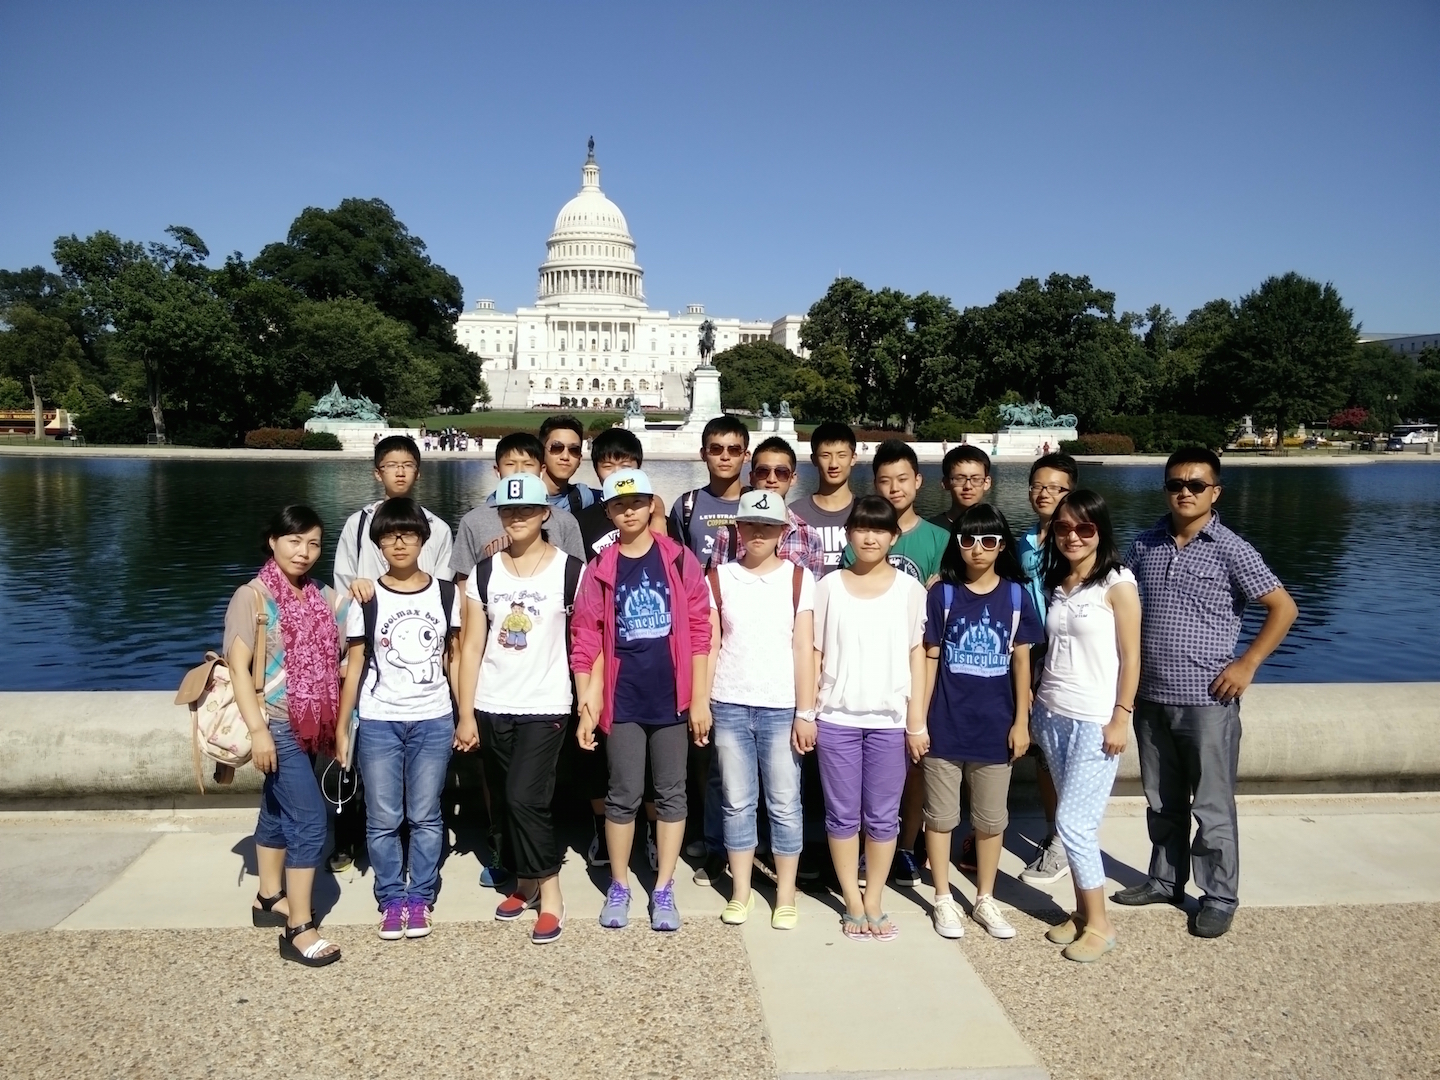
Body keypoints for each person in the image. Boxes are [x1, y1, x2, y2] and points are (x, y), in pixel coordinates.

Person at [1116, 447, 1297, 938]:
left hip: (1207, 699)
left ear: (1215, 491)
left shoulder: (1232, 548)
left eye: (1196, 484)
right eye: (1177, 483)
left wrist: (1248, 663)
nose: (1185, 492)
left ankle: (1219, 895)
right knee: (1161, 800)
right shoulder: (1144, 544)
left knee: (1211, 805)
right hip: (1151, 695)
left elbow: (1282, 608)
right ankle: (1165, 879)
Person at [573, 469, 713, 932]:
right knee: (623, 794)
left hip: (672, 699)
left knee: (672, 794)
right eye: (619, 504)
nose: (629, 510)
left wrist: (698, 700)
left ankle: (664, 887)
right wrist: (586, 704)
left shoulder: (678, 559)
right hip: (623, 697)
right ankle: (619, 883)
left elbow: (698, 631)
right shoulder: (601, 567)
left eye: (637, 502)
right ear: (610, 511)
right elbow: (586, 638)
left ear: (652, 504)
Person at [450, 432, 584, 888]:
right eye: (509, 511)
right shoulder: (485, 572)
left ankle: (550, 893)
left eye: (526, 509)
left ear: (545, 513)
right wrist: (466, 712)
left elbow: (586, 639)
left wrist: (587, 699)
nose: (517, 518)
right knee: (506, 797)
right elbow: (471, 646)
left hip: (546, 699)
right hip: (493, 699)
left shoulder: (570, 569)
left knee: (526, 796)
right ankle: (524, 883)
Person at [335, 498, 461, 942]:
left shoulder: (447, 593)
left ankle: (420, 896)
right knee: (383, 817)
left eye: (408, 533)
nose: (399, 542)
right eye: (389, 536)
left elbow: (454, 658)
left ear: (424, 539)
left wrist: (463, 717)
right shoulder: (365, 597)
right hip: (379, 719)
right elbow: (354, 664)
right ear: (379, 544)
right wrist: (341, 727)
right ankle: (391, 898)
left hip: (433, 717)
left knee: (426, 816)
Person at [227, 505, 348, 967]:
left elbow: (359, 621)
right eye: (295, 541)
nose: (304, 552)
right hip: (276, 722)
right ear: (273, 541)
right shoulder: (253, 597)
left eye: (314, 543)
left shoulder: (319, 594)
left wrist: (361, 588)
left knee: (277, 809)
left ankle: (266, 898)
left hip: (311, 723)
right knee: (311, 822)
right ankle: (299, 927)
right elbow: (239, 668)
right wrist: (258, 730)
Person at [918, 504, 1043, 940]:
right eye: (968, 539)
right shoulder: (943, 595)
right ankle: (942, 898)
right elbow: (931, 659)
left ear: (1002, 546)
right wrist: (920, 719)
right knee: (940, 817)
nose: (977, 548)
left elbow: (1022, 662)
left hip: (995, 726)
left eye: (988, 540)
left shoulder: (1014, 595)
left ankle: (985, 898)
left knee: (991, 820)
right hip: (946, 724)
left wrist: (1021, 722)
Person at [330, 435, 452, 872]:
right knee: (356, 750)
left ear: (418, 471)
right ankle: (346, 836)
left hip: (416, 649)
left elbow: (437, 589)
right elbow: (343, 581)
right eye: (390, 464)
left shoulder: (436, 527)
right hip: (367, 639)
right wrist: (358, 593)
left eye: (407, 465)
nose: (399, 472)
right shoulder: (359, 524)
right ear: (377, 472)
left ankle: (411, 851)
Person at [1031, 490, 1141, 963]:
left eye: (1084, 528)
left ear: (1101, 530)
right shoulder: (1059, 582)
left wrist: (1122, 715)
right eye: (1063, 528)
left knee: (1075, 823)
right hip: (1053, 712)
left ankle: (1101, 924)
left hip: (1096, 719)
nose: (1072, 536)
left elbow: (1132, 656)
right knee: (1068, 819)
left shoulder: (1117, 582)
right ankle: (1080, 912)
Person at [813, 495, 928, 941]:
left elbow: (917, 655)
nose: (869, 536)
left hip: (889, 720)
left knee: (883, 818)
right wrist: (809, 712)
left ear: (893, 536)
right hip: (836, 717)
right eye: (861, 527)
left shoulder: (909, 590)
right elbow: (816, 652)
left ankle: (875, 898)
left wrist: (915, 721)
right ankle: (852, 900)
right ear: (848, 534)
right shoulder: (829, 586)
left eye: (879, 529)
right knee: (842, 816)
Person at [703, 489, 817, 929]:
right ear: (737, 528)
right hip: (730, 701)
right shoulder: (719, 577)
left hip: (781, 706)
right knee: (736, 801)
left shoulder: (798, 578)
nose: (757, 534)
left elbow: (803, 648)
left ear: (782, 533)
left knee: (785, 802)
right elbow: (711, 644)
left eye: (767, 527)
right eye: (750, 525)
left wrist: (805, 712)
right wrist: (703, 701)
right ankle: (742, 891)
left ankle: (785, 894)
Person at [840, 439, 948, 887]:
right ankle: (866, 849)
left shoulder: (938, 539)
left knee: (914, 763)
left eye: (902, 479)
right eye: (884, 480)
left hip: (921, 662)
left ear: (918, 482)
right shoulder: (861, 539)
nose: (894, 487)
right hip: (869, 675)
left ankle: (905, 844)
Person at [572, 427, 668, 871]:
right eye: (607, 463)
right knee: (605, 764)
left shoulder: (654, 522)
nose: (616, 470)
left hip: (652, 663)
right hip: (606, 659)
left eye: (625, 463)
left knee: (652, 769)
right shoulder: (589, 521)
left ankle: (647, 835)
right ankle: (603, 835)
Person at [668, 415, 750, 884]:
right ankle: (710, 828)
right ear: (703, 453)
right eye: (716, 448)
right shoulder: (687, 505)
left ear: (745, 454)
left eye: (733, 448)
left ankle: (740, 834)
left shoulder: (762, 503)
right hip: (701, 630)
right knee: (703, 738)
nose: (724, 456)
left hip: (747, 629)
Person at [1015, 452, 1078, 888]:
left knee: (1070, 756)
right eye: (1039, 485)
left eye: (1056, 488)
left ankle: (1067, 839)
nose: (1045, 494)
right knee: (1044, 755)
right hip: (1033, 655)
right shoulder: (1022, 543)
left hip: (1070, 660)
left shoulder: (1076, 541)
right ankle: (1055, 832)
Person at [452, 432, 586, 584]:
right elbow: (464, 579)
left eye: (528, 464)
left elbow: (578, 578)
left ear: (542, 470)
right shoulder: (473, 521)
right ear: (497, 470)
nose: (519, 471)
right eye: (510, 464)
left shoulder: (565, 521)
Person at [707, 436, 825, 578]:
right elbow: (716, 588)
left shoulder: (809, 536)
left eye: (781, 472)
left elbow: (812, 593)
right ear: (751, 477)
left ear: (792, 478)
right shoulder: (728, 535)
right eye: (763, 471)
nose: (771, 479)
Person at [791, 421, 858, 577]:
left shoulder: (867, 511)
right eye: (825, 455)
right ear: (814, 459)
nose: (834, 464)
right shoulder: (795, 514)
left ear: (853, 458)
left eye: (842, 455)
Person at [538, 414, 601, 512]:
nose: (565, 457)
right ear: (541, 453)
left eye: (574, 450)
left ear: (580, 459)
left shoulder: (584, 497)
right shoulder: (519, 497)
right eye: (557, 448)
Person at [927, 445, 993, 530]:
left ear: (986, 483)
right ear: (946, 483)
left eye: (976, 479)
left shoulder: (996, 529)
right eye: (959, 479)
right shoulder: (931, 530)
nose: (968, 486)